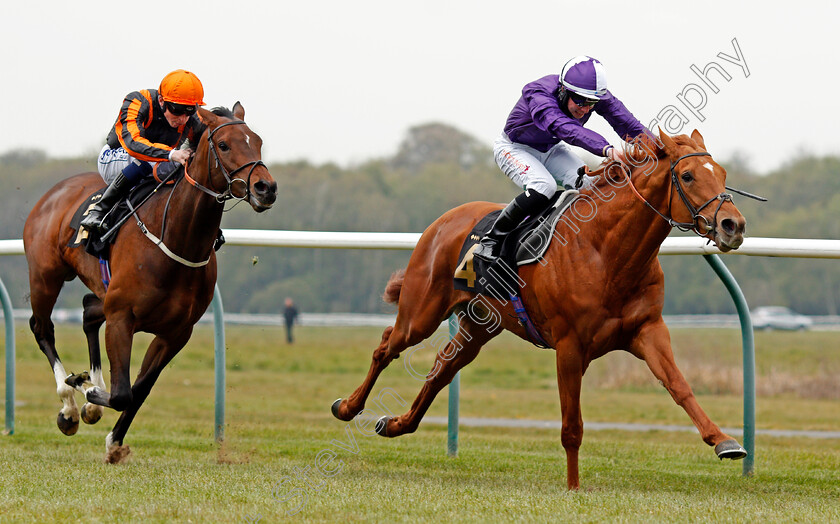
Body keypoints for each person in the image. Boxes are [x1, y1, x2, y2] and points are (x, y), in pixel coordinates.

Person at [473, 56, 653, 264]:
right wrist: (608, 150)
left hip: (551, 148)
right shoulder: (538, 93)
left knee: (594, 187)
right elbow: (567, 129)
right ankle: (491, 240)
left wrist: (662, 149)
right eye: (581, 102)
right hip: (514, 148)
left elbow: (628, 124)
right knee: (544, 186)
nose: (586, 109)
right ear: (563, 90)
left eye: (592, 103)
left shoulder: (589, 95)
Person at [80, 69, 207, 233]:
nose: (183, 118)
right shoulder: (137, 101)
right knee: (153, 159)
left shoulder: (191, 118)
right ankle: (98, 210)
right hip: (115, 156)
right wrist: (171, 154)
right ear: (161, 101)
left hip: (156, 162)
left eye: (189, 111)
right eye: (177, 109)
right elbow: (132, 143)